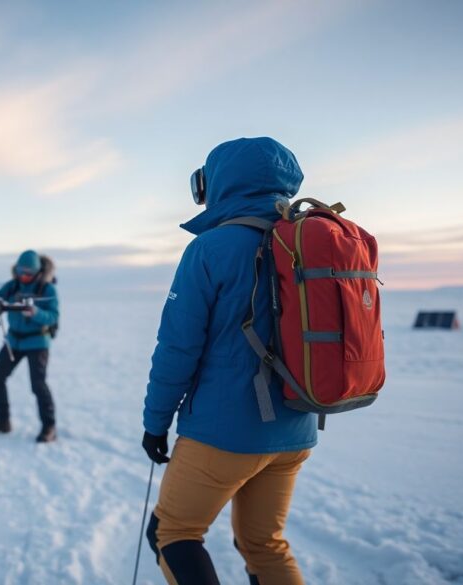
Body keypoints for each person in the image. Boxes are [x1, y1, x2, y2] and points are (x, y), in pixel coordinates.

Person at [142, 137, 318, 585]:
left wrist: (155, 423)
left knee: (172, 532)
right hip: (295, 429)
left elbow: (178, 348)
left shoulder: (211, 248)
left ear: (218, 183)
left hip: (223, 433)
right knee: (265, 545)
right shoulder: (306, 240)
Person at [0, 250, 60, 443]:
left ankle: (49, 427)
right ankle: (2, 421)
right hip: (14, 341)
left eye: (28, 274)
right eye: (21, 272)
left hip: (37, 342)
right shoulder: (12, 286)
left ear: (38, 272)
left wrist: (36, 313)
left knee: (38, 385)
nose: (24, 277)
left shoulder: (48, 289)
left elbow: (53, 316)